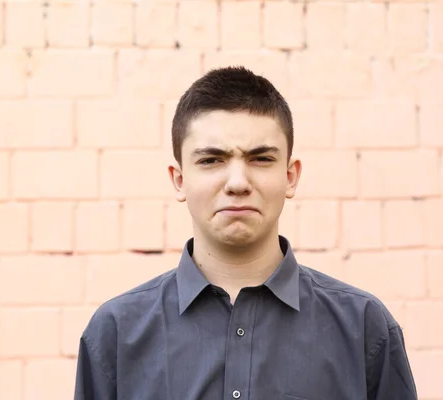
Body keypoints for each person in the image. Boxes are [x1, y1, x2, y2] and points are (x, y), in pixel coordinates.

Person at [73, 66, 418, 400]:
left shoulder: (363, 329)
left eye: (261, 159)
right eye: (211, 160)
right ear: (179, 180)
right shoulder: (116, 333)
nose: (237, 183)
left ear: (291, 176)